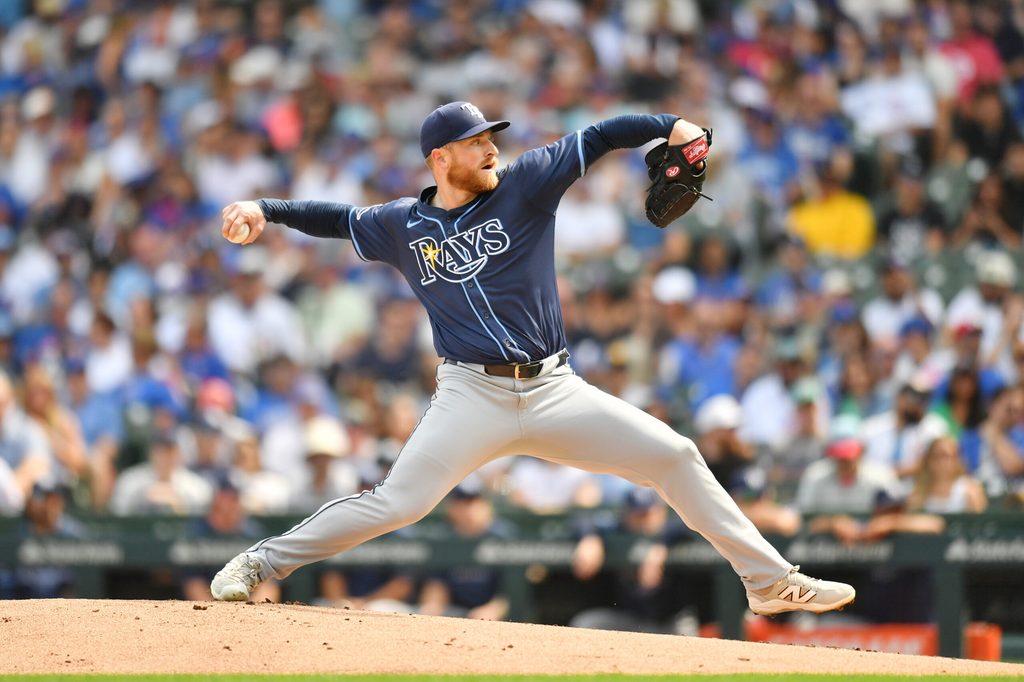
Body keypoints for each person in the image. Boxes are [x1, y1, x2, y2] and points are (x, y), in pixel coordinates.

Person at [210, 101, 854, 616]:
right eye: (476, 141)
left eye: (493, 136)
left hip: (554, 389)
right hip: (470, 395)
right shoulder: (402, 223)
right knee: (397, 503)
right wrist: (265, 209)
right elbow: (337, 218)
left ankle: (769, 582)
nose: (492, 147)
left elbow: (602, 134)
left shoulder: (525, 185)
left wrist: (672, 127)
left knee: (676, 456)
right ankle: (262, 562)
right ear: (441, 157)